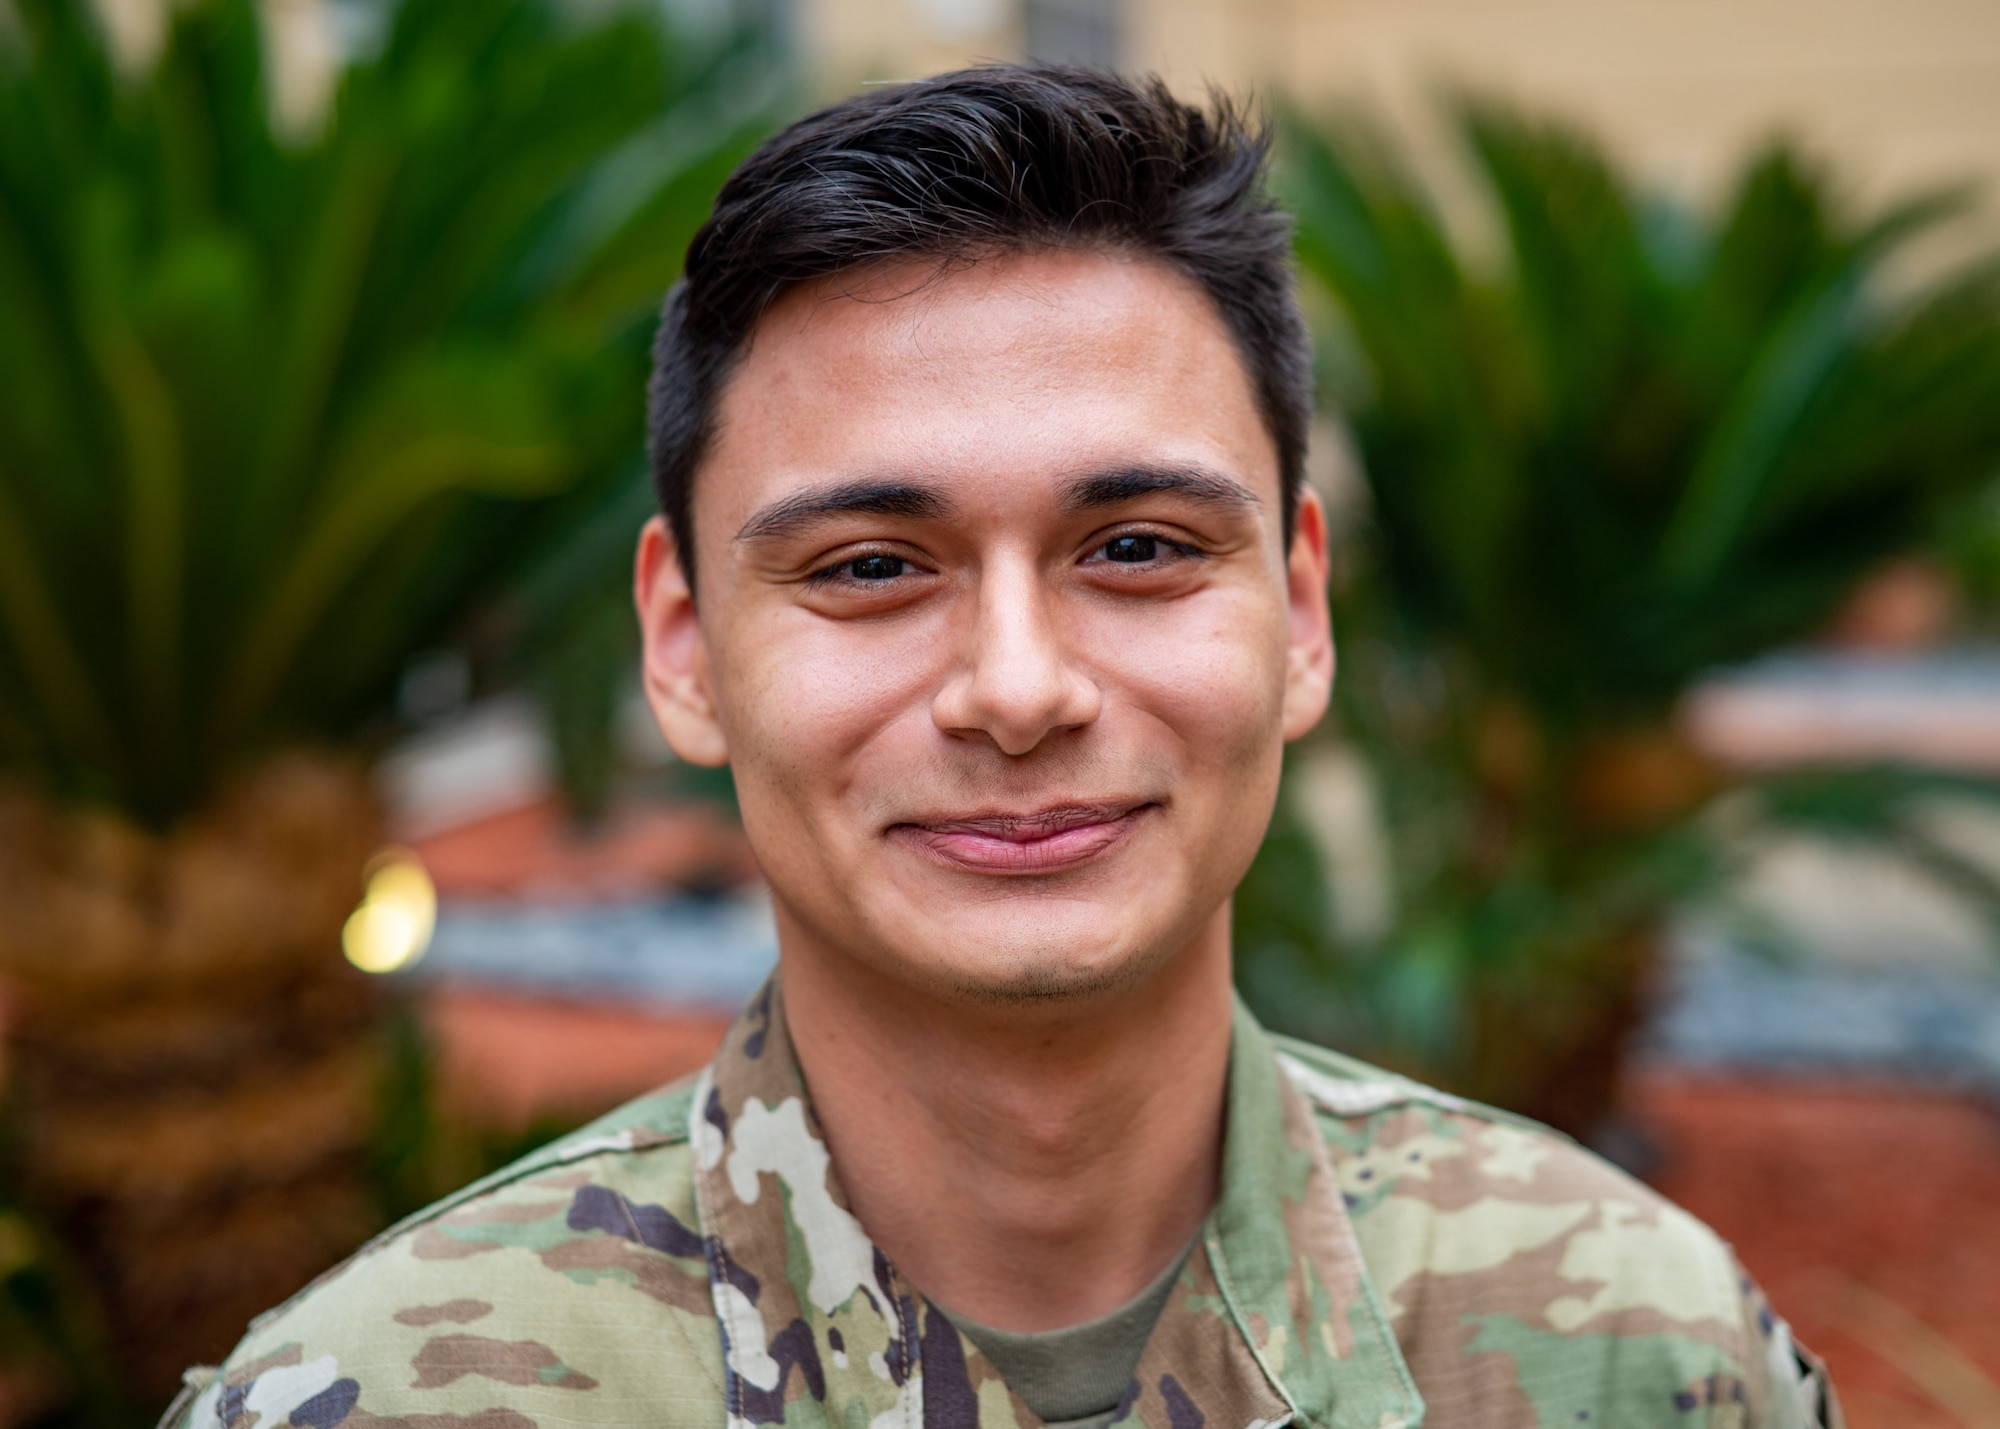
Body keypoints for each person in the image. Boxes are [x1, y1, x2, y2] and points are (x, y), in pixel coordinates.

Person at [167, 66, 1839, 1429]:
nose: (1019, 689)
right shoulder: (375, 1400)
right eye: (872, 567)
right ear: (681, 646)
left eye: (1137, 548)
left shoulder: (1641, 1350)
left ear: (1303, 608)